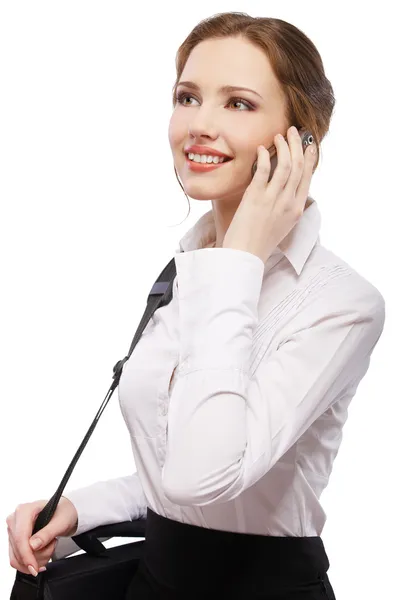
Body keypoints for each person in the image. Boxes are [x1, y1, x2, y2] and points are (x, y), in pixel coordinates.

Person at [7, 11, 385, 599]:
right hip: (157, 582)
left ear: (303, 140)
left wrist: (239, 261)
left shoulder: (340, 303)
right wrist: (84, 507)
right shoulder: (185, 273)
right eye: (187, 97)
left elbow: (201, 478)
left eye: (238, 103)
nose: (199, 125)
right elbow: (175, 456)